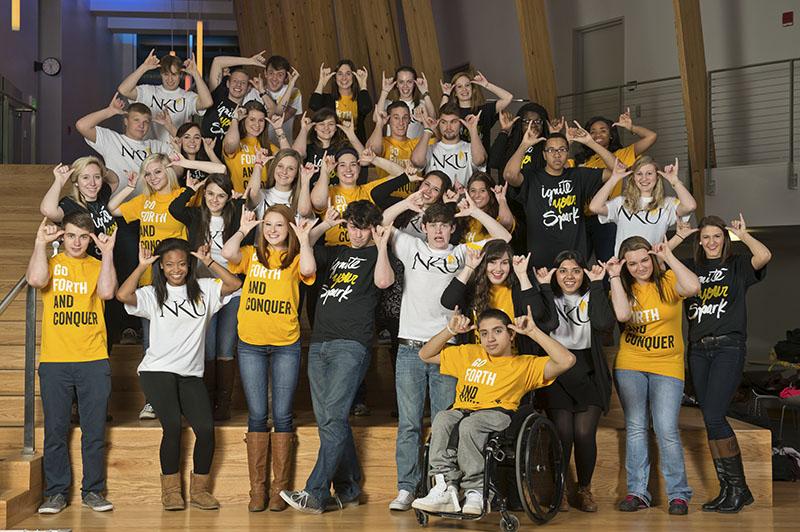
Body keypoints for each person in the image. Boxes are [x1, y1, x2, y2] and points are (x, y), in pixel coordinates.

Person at [380, 196, 512, 512]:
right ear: (423, 227)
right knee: (409, 424)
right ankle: (407, 488)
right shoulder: (411, 246)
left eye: (444, 225)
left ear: (453, 229)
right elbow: (383, 222)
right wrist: (409, 204)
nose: (439, 231)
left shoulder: (462, 252)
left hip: (447, 350)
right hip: (410, 346)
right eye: (433, 225)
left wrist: (475, 211)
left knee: (447, 422)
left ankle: (447, 486)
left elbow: (503, 238)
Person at [280, 201, 395, 513]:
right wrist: (325, 225)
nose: (357, 234)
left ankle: (315, 492)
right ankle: (349, 487)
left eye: (364, 228)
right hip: (319, 343)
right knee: (330, 419)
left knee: (332, 417)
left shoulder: (377, 255)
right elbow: (306, 264)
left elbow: (384, 282)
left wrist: (382, 245)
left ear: (373, 228)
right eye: (353, 227)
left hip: (352, 344)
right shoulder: (334, 253)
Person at [411, 306, 576, 514]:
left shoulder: (524, 364)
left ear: (512, 334)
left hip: (498, 414)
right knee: (443, 418)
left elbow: (567, 360)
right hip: (462, 411)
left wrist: (533, 331)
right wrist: (450, 331)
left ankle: (477, 491)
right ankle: (445, 487)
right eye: (484, 333)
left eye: (498, 331)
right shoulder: (470, 353)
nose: (490, 339)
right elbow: (425, 354)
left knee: (470, 425)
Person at [117, 238, 241, 511]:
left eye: (182, 264)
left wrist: (209, 261)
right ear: (161, 267)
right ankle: (171, 492)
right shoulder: (151, 294)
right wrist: (141, 267)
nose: (176, 269)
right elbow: (123, 295)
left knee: (206, 430)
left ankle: (199, 491)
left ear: (189, 265)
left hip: (190, 374)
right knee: (172, 427)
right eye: (170, 264)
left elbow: (234, 285)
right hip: (156, 371)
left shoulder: (205, 291)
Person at [671, 214, 770, 513]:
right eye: (706, 237)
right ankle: (730, 490)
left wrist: (743, 234)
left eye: (717, 236)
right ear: (699, 241)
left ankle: (738, 489)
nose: (711, 242)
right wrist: (678, 237)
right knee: (710, 417)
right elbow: (659, 260)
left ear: (724, 240)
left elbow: (764, 255)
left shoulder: (737, 265)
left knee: (714, 415)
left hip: (728, 346)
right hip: (698, 350)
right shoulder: (691, 267)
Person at [221, 206, 316, 512]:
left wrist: (305, 239)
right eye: (269, 225)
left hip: (286, 343)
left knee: (284, 415)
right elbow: (228, 252)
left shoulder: (295, 258)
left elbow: (308, 270)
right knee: (258, 415)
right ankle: (257, 491)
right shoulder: (251, 254)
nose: (274, 230)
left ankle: (280, 489)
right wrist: (243, 227)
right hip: (251, 344)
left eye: (280, 225)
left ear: (289, 228)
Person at [27, 214, 117, 514]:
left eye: (83, 236)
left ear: (90, 238)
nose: (77, 242)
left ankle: (93, 491)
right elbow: (36, 280)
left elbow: (106, 292)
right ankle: (55, 493)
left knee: (94, 431)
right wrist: (41, 243)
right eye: (71, 236)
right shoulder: (51, 265)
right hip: (55, 361)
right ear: (62, 238)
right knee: (55, 430)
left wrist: (107, 254)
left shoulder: (96, 265)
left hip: (92, 359)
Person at [606, 236, 700, 515]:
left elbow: (694, 286)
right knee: (636, 427)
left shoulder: (669, 280)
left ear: (652, 259)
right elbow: (623, 315)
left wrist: (668, 257)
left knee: (666, 428)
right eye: (632, 263)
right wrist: (613, 275)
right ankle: (637, 492)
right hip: (631, 364)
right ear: (625, 265)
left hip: (668, 366)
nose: (639, 267)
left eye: (644, 260)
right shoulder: (623, 287)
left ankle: (679, 495)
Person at [108, 153, 189, 419]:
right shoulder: (145, 201)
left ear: (168, 171)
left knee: (178, 341)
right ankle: (152, 400)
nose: (153, 177)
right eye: (148, 173)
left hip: (176, 280)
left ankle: (179, 399)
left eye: (158, 171)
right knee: (152, 345)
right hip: (147, 282)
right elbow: (113, 210)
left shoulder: (182, 196)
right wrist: (130, 187)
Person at [535, 251, 615, 512]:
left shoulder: (592, 294)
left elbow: (604, 324)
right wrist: (546, 288)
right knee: (563, 432)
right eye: (563, 271)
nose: (569, 276)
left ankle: (584, 489)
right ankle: (557, 489)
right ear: (555, 274)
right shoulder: (547, 297)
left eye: (576, 271)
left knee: (583, 432)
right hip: (557, 372)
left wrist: (597, 284)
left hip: (588, 371)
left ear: (584, 273)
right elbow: (548, 322)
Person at [169, 173, 245, 420]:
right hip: (204, 291)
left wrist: (239, 202)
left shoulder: (235, 217)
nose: (214, 199)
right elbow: (175, 208)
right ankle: (207, 402)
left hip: (232, 290)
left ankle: (223, 404)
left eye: (221, 195)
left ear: (228, 197)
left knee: (225, 346)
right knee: (208, 347)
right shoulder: (194, 215)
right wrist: (191, 190)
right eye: (210, 193)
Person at [503, 127, 616, 268]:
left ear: (568, 153)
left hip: (574, 261)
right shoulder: (532, 177)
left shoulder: (579, 176)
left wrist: (591, 143)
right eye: (551, 150)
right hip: (541, 263)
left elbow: (617, 170)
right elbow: (509, 175)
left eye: (562, 149)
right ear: (544, 155)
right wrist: (524, 145)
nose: (557, 154)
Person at [577, 109, 659, 262]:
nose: (597, 135)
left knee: (609, 262)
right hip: (582, 219)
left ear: (612, 134)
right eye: (592, 131)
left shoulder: (623, 154)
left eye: (603, 131)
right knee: (577, 262)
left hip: (607, 217)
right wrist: (569, 140)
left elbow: (651, 136)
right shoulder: (581, 160)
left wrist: (631, 127)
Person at [440, 240, 550, 354]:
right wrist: (469, 267)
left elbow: (537, 313)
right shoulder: (473, 289)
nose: (498, 269)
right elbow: (448, 302)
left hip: (515, 359)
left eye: (504, 263)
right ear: (483, 263)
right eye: (492, 262)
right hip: (479, 360)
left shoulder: (518, 287)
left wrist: (522, 275)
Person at [589, 157, 696, 257]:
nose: (644, 178)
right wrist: (613, 179)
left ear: (657, 176)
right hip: (624, 267)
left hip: (653, 265)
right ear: (633, 177)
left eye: (649, 173)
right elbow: (594, 207)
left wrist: (675, 181)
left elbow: (690, 206)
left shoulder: (668, 204)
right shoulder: (621, 202)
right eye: (639, 174)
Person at [76, 93, 172, 193]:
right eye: (136, 120)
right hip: (117, 205)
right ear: (126, 121)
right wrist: (109, 111)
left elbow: (181, 155)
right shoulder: (112, 140)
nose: (141, 125)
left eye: (146, 122)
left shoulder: (157, 145)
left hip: (148, 205)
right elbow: (82, 126)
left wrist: (168, 126)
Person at [117, 49, 213, 142]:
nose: (170, 79)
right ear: (161, 74)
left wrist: (196, 74)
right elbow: (123, 90)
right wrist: (144, 67)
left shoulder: (187, 97)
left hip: (176, 151)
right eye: (166, 74)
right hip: (150, 151)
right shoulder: (148, 91)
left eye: (174, 74)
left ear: (180, 75)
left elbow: (207, 102)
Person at [40, 159, 119, 259]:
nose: (93, 183)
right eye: (85, 177)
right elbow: (47, 210)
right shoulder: (71, 204)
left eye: (97, 177)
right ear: (76, 182)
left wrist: (102, 168)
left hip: (110, 262)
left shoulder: (101, 195)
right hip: (87, 268)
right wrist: (59, 181)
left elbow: (114, 180)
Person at [202, 51, 268, 155]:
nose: (238, 85)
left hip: (228, 161)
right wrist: (250, 61)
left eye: (243, 83)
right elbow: (217, 61)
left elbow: (274, 112)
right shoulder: (217, 95)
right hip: (203, 154)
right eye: (235, 81)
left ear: (248, 89)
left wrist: (261, 90)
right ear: (228, 83)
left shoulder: (246, 112)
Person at [411, 102, 487, 189]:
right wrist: (428, 130)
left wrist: (473, 130)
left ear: (461, 123)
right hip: (435, 201)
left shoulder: (470, 147)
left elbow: (480, 160)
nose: (448, 128)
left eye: (453, 122)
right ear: (438, 123)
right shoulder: (430, 149)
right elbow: (416, 161)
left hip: (462, 201)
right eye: (444, 122)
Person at [439, 69, 513, 152]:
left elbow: (508, 97)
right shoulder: (452, 113)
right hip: (458, 162)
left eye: (467, 85)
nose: (464, 89)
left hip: (482, 162)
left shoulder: (485, 110)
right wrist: (446, 94)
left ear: (472, 89)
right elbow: (442, 113)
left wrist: (486, 85)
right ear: (455, 92)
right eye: (459, 86)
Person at [223, 101, 288, 193]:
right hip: (240, 201)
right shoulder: (236, 143)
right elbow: (231, 142)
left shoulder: (268, 146)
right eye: (252, 119)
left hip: (263, 202)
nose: (257, 125)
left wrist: (278, 130)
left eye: (261, 120)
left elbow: (290, 159)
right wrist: (235, 119)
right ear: (244, 120)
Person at [292, 109, 366, 184]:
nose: (326, 128)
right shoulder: (307, 149)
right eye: (321, 124)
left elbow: (365, 161)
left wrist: (351, 134)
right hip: (311, 193)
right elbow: (296, 155)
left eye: (330, 124)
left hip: (338, 193)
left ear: (336, 127)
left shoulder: (342, 148)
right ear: (315, 127)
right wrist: (304, 129)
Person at [309, 60, 373, 143]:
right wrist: (321, 82)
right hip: (333, 146)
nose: (344, 78)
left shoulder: (359, 98)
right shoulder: (328, 98)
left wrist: (363, 85)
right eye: (340, 74)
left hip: (356, 144)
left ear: (354, 77)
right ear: (335, 77)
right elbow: (314, 105)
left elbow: (366, 108)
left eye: (348, 73)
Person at [245, 148, 313, 219]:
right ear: (274, 167)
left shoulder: (302, 199)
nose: (284, 172)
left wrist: (305, 180)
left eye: (290, 168)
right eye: (280, 166)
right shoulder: (262, 195)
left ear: (297, 173)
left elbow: (304, 212)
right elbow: (251, 193)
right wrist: (258, 165)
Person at [488, 103, 553, 176]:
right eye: (527, 121)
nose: (533, 125)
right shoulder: (511, 143)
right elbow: (493, 162)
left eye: (538, 122)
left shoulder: (547, 144)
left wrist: (554, 135)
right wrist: (504, 131)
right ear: (520, 123)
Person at [366, 100, 422, 184]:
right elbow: (371, 150)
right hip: (387, 196)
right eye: (396, 118)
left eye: (405, 117)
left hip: (412, 196)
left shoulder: (418, 143)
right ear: (389, 120)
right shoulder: (383, 142)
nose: (401, 122)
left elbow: (441, 139)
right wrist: (379, 124)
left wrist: (424, 122)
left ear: (409, 120)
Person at [374, 67, 436, 139]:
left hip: (418, 148)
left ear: (414, 83)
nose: (405, 86)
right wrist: (384, 91)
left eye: (409, 82)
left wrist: (425, 92)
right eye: (401, 82)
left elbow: (433, 120)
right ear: (396, 84)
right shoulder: (389, 104)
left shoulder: (422, 104)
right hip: (395, 149)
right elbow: (376, 119)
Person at [460, 172, 514, 244]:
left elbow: (506, 222)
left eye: (482, 190)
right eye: (473, 191)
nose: (477, 195)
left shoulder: (498, 215)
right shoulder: (464, 217)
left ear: (490, 192)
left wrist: (501, 199)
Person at [261, 55, 302, 144]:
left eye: (280, 74)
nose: (275, 78)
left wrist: (291, 85)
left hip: (285, 146)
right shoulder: (254, 92)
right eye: (271, 73)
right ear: (265, 73)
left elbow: (277, 117)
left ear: (286, 77)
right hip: (260, 148)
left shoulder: (294, 92)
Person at [171, 122, 225, 187]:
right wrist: (177, 150)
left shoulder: (207, 161)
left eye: (196, 137)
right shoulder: (173, 161)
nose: (192, 141)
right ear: (179, 140)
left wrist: (210, 151)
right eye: (187, 137)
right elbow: (176, 173)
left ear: (201, 140)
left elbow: (223, 174)